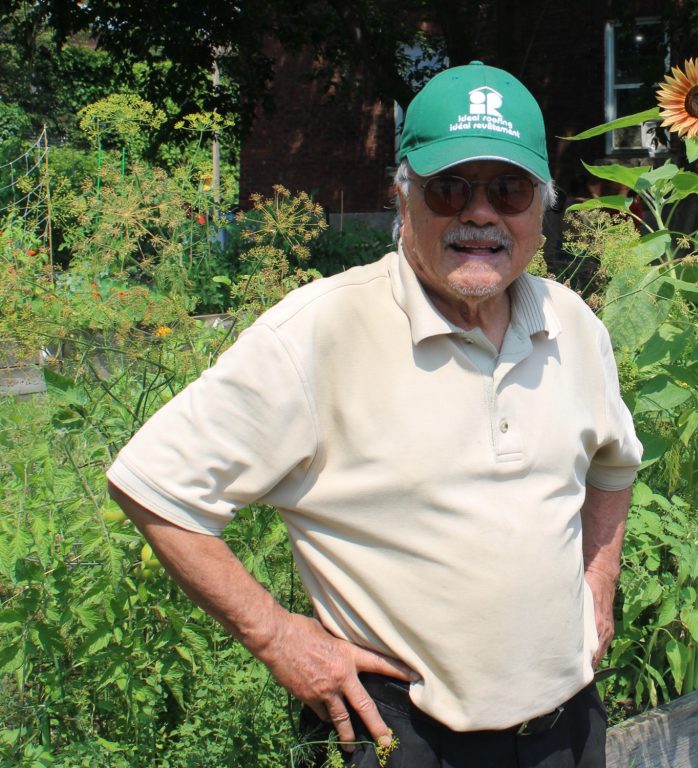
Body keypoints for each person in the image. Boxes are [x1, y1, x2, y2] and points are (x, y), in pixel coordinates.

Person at [107, 61, 642, 767]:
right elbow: (155, 484)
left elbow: (614, 464)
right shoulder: (321, 331)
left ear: (541, 206)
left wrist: (598, 585)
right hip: (405, 737)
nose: (479, 214)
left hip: (567, 731)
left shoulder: (572, 325)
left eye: (508, 190)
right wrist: (276, 637)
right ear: (402, 195)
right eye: (449, 188)